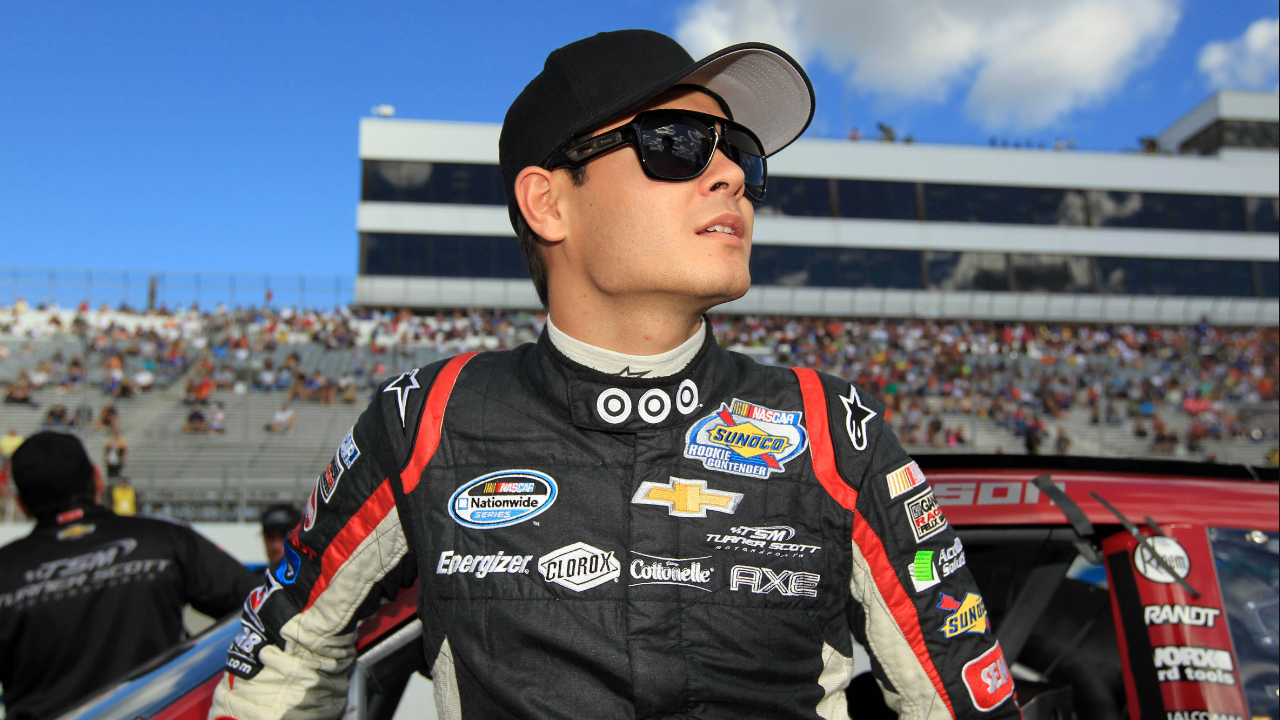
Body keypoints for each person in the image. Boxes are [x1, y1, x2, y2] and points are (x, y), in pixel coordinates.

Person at [210, 30, 1018, 719]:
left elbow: (962, 694)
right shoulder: (427, 416)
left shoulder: (834, 426)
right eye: (677, 143)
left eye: (739, 153)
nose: (732, 175)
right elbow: (281, 663)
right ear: (548, 203)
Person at [0, 431, 259, 719]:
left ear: (21, 504)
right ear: (98, 479)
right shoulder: (164, 539)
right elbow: (262, 609)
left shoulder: (5, 569)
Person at [258, 504, 302, 571]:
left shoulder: (317, 579)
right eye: (270, 537)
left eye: (284, 536)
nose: (276, 546)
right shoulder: (253, 579)